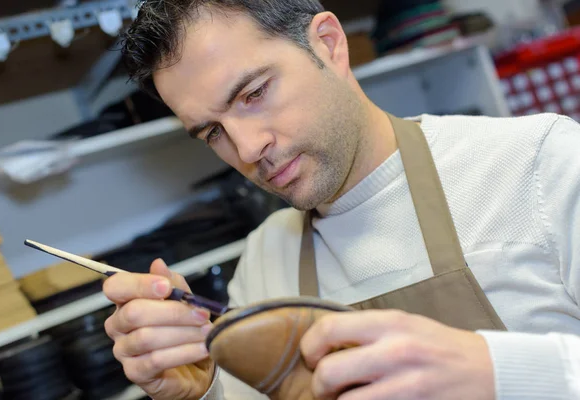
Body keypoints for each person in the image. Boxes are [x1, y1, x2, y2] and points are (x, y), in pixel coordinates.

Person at [102, 0, 580, 399]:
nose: (247, 150)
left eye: (253, 93)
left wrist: (494, 370)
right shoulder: (266, 261)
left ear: (328, 45)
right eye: (212, 132)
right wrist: (205, 392)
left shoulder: (537, 163)